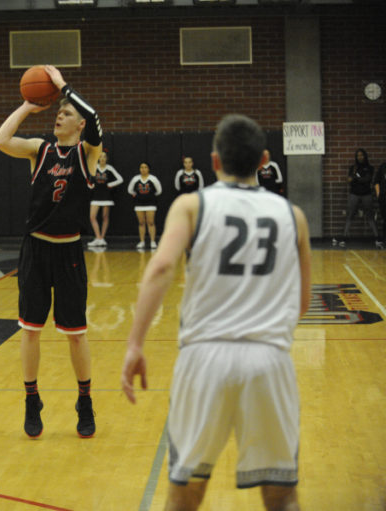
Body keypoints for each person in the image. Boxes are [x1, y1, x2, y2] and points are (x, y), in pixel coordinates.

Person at [121, 114, 312, 511]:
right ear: (263, 161)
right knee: (282, 497)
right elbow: (302, 302)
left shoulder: (192, 204)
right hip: (269, 359)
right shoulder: (293, 216)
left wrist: (135, 344)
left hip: (204, 358)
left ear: (213, 162)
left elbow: (159, 268)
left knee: (184, 494)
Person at [0, 66, 102, 439]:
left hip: (69, 252)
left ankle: (84, 400)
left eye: (67, 113)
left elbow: (97, 120)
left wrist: (63, 87)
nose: (60, 114)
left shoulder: (88, 154)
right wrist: (27, 105)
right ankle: (31, 398)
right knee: (31, 331)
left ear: (80, 125)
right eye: (59, 110)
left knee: (75, 334)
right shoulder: (39, 150)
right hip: (36, 250)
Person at [335, 148, 378, 248]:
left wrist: (356, 178)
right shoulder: (353, 167)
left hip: (366, 194)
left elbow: (367, 180)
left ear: (365, 156)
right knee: (350, 215)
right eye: (358, 155)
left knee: (370, 216)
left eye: (361, 155)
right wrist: (356, 178)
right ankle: (344, 237)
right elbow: (349, 180)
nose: (360, 157)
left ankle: (377, 238)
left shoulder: (370, 168)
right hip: (354, 194)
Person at [87, 151, 123, 248]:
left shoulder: (109, 168)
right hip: (96, 196)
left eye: (104, 157)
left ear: (106, 159)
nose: (102, 159)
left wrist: (110, 184)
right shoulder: (94, 167)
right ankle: (98, 237)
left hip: (106, 196)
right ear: (98, 158)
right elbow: (87, 178)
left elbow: (120, 179)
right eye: (100, 157)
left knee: (105, 217)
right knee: (92, 217)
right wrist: (90, 185)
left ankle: (102, 238)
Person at [127, 162, 162, 250]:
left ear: (148, 169)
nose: (143, 169)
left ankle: (153, 241)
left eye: (145, 167)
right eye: (141, 167)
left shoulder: (153, 179)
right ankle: (142, 241)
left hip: (150, 204)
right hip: (139, 204)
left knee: (151, 222)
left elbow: (159, 191)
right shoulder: (135, 179)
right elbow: (130, 190)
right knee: (141, 223)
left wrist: (150, 196)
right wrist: (137, 195)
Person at [375, 162, 386, 249]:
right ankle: (383, 239)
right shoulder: (383, 166)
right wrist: (378, 193)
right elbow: (376, 181)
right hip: (384, 197)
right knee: (385, 218)